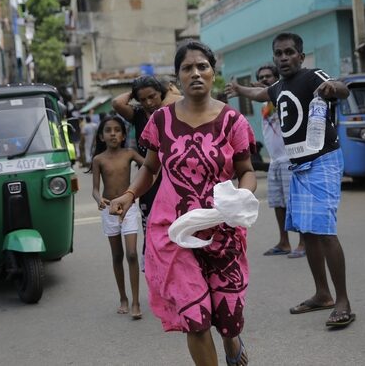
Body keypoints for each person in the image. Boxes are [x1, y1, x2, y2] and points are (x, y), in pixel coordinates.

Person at [109, 40, 256, 366]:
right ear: (177, 76)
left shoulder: (233, 121)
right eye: (187, 67)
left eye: (202, 66)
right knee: (197, 319)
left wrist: (242, 200)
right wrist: (129, 195)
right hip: (174, 231)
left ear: (213, 72)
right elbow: (149, 167)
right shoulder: (160, 121)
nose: (196, 73)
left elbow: (246, 171)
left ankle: (231, 342)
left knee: (227, 317)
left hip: (222, 232)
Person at [226, 32, 355, 328]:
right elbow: (262, 94)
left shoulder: (312, 77)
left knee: (323, 230)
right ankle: (322, 294)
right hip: (299, 165)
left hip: (322, 160)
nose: (283, 58)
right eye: (278, 53)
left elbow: (342, 89)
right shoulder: (279, 86)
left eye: (289, 52)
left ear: (300, 55)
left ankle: (343, 299)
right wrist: (239, 89)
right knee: (307, 231)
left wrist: (332, 87)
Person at [112, 76, 183, 270]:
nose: (148, 103)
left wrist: (166, 90)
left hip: (173, 179)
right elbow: (117, 102)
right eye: (142, 99)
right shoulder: (137, 115)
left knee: (177, 226)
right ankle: (156, 270)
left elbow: (176, 97)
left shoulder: (173, 108)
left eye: (152, 96)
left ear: (162, 92)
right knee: (152, 226)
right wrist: (136, 91)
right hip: (149, 180)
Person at [91, 116, 145, 319]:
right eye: (108, 130)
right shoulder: (99, 159)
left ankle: (136, 301)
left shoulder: (129, 153)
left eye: (117, 130)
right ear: (102, 136)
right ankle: (123, 297)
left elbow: (149, 167)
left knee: (131, 254)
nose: (113, 133)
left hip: (128, 208)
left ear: (123, 135)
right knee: (117, 256)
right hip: (109, 210)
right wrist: (99, 200)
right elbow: (96, 189)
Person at [251, 64, 305, 258]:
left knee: (295, 203)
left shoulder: (283, 96)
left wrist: (262, 88)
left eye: (268, 76)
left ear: (277, 78)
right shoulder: (264, 104)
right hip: (274, 161)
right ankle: (284, 243)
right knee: (278, 204)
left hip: (290, 159)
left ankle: (303, 242)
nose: (264, 79)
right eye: (261, 76)